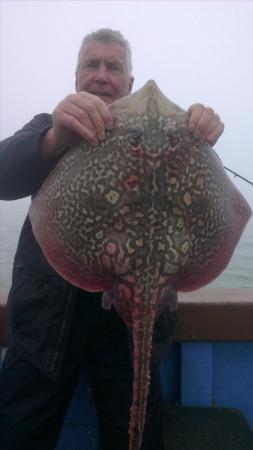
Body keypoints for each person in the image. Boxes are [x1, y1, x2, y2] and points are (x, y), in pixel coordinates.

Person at [0, 28, 224, 450]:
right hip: (44, 332)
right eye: (92, 64)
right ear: (77, 77)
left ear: (129, 84)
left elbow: (216, 206)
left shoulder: (171, 137)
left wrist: (200, 133)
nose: (102, 75)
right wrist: (55, 139)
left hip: (131, 329)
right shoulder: (48, 127)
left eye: (114, 67)